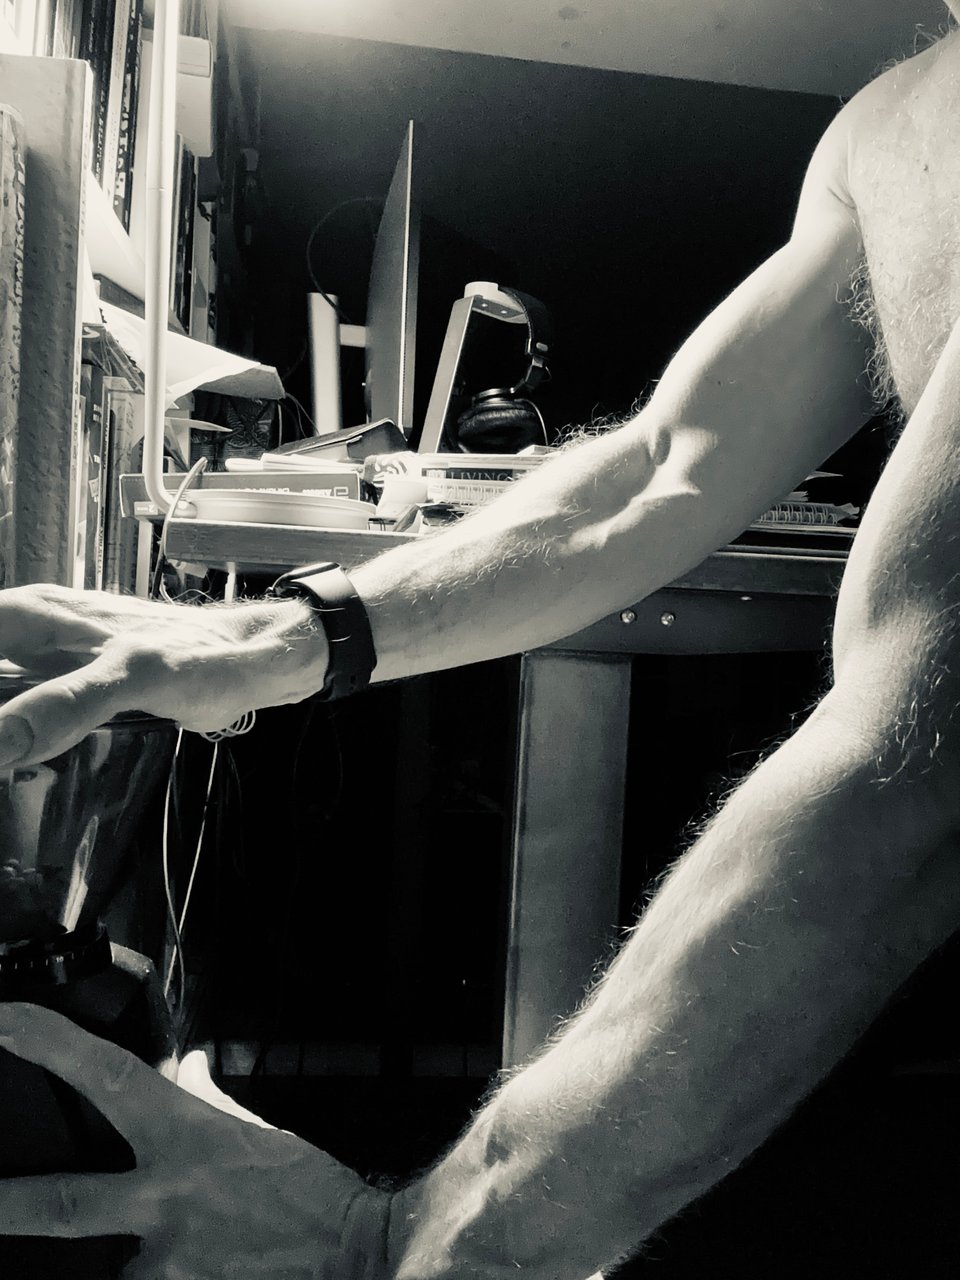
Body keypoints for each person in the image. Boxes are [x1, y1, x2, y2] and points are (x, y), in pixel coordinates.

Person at [2, 8, 960, 1277]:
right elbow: (662, 468)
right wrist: (283, 635)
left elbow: (912, 770)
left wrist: (403, 1243)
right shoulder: (904, 114)